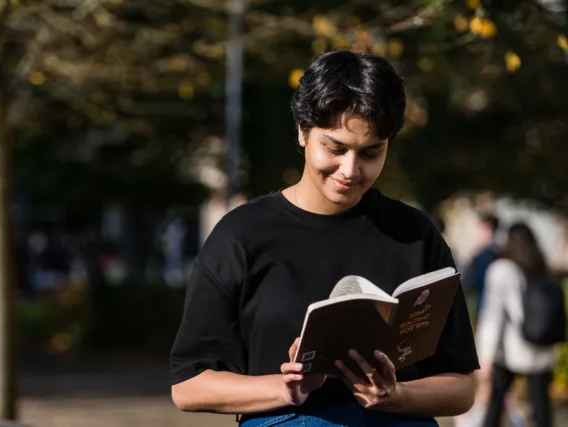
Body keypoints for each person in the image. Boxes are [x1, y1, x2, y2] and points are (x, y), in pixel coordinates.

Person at [170, 50, 479, 426]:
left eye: (370, 152)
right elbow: (188, 385)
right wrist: (286, 389)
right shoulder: (241, 235)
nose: (350, 170)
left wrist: (394, 395)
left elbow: (462, 386)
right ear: (302, 131)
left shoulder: (415, 235)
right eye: (335, 148)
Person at [476, 222, 557, 427]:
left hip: (511, 350)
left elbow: (493, 317)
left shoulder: (502, 269)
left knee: (494, 407)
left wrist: (484, 357)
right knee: (541, 409)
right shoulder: (542, 266)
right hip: (542, 347)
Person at [463, 214, 501, 323]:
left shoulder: (484, 256)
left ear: (487, 228)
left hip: (485, 309)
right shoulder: (503, 252)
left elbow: (467, 282)